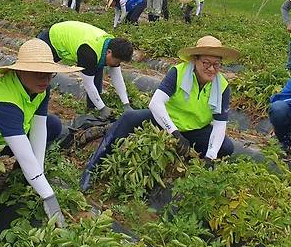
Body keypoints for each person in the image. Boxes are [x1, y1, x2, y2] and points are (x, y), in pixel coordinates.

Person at [80, 36, 239, 191]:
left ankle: (190, 160)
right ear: (194, 60)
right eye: (206, 63)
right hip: (165, 123)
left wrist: (210, 157)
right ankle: (92, 168)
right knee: (128, 118)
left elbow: (219, 125)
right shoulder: (179, 73)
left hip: (195, 130)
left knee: (226, 147)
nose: (211, 69)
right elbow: (155, 104)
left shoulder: (222, 86)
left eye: (216, 64)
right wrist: (174, 132)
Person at [0, 39, 81, 227]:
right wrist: (48, 196)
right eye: (38, 74)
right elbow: (23, 153)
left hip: (8, 137)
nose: (45, 80)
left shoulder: (41, 88)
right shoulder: (2, 100)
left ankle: (24, 176)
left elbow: (39, 128)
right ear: (20, 70)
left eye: (49, 74)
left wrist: (38, 173)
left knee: (53, 124)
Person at [36, 21, 134, 118]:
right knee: (40, 76)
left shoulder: (111, 46)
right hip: (52, 38)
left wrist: (126, 104)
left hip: (73, 35)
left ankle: (92, 109)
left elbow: (117, 76)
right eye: (117, 61)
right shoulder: (89, 53)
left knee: (97, 69)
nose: (117, 64)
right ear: (109, 52)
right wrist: (102, 108)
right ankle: (37, 108)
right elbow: (88, 83)